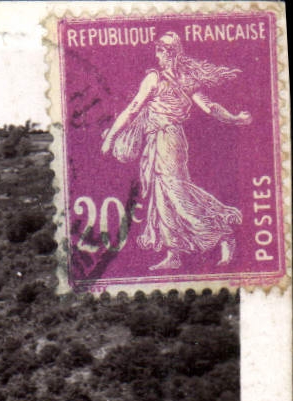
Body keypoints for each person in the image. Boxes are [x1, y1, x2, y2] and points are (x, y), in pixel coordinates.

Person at [100, 31, 253, 270]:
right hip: (164, 140)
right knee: (162, 196)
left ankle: (222, 234)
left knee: (177, 194)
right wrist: (233, 118)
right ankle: (174, 253)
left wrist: (110, 137)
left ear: (167, 53)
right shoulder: (183, 79)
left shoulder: (157, 78)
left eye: (160, 51)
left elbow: (133, 109)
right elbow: (210, 107)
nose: (157, 56)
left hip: (168, 140)